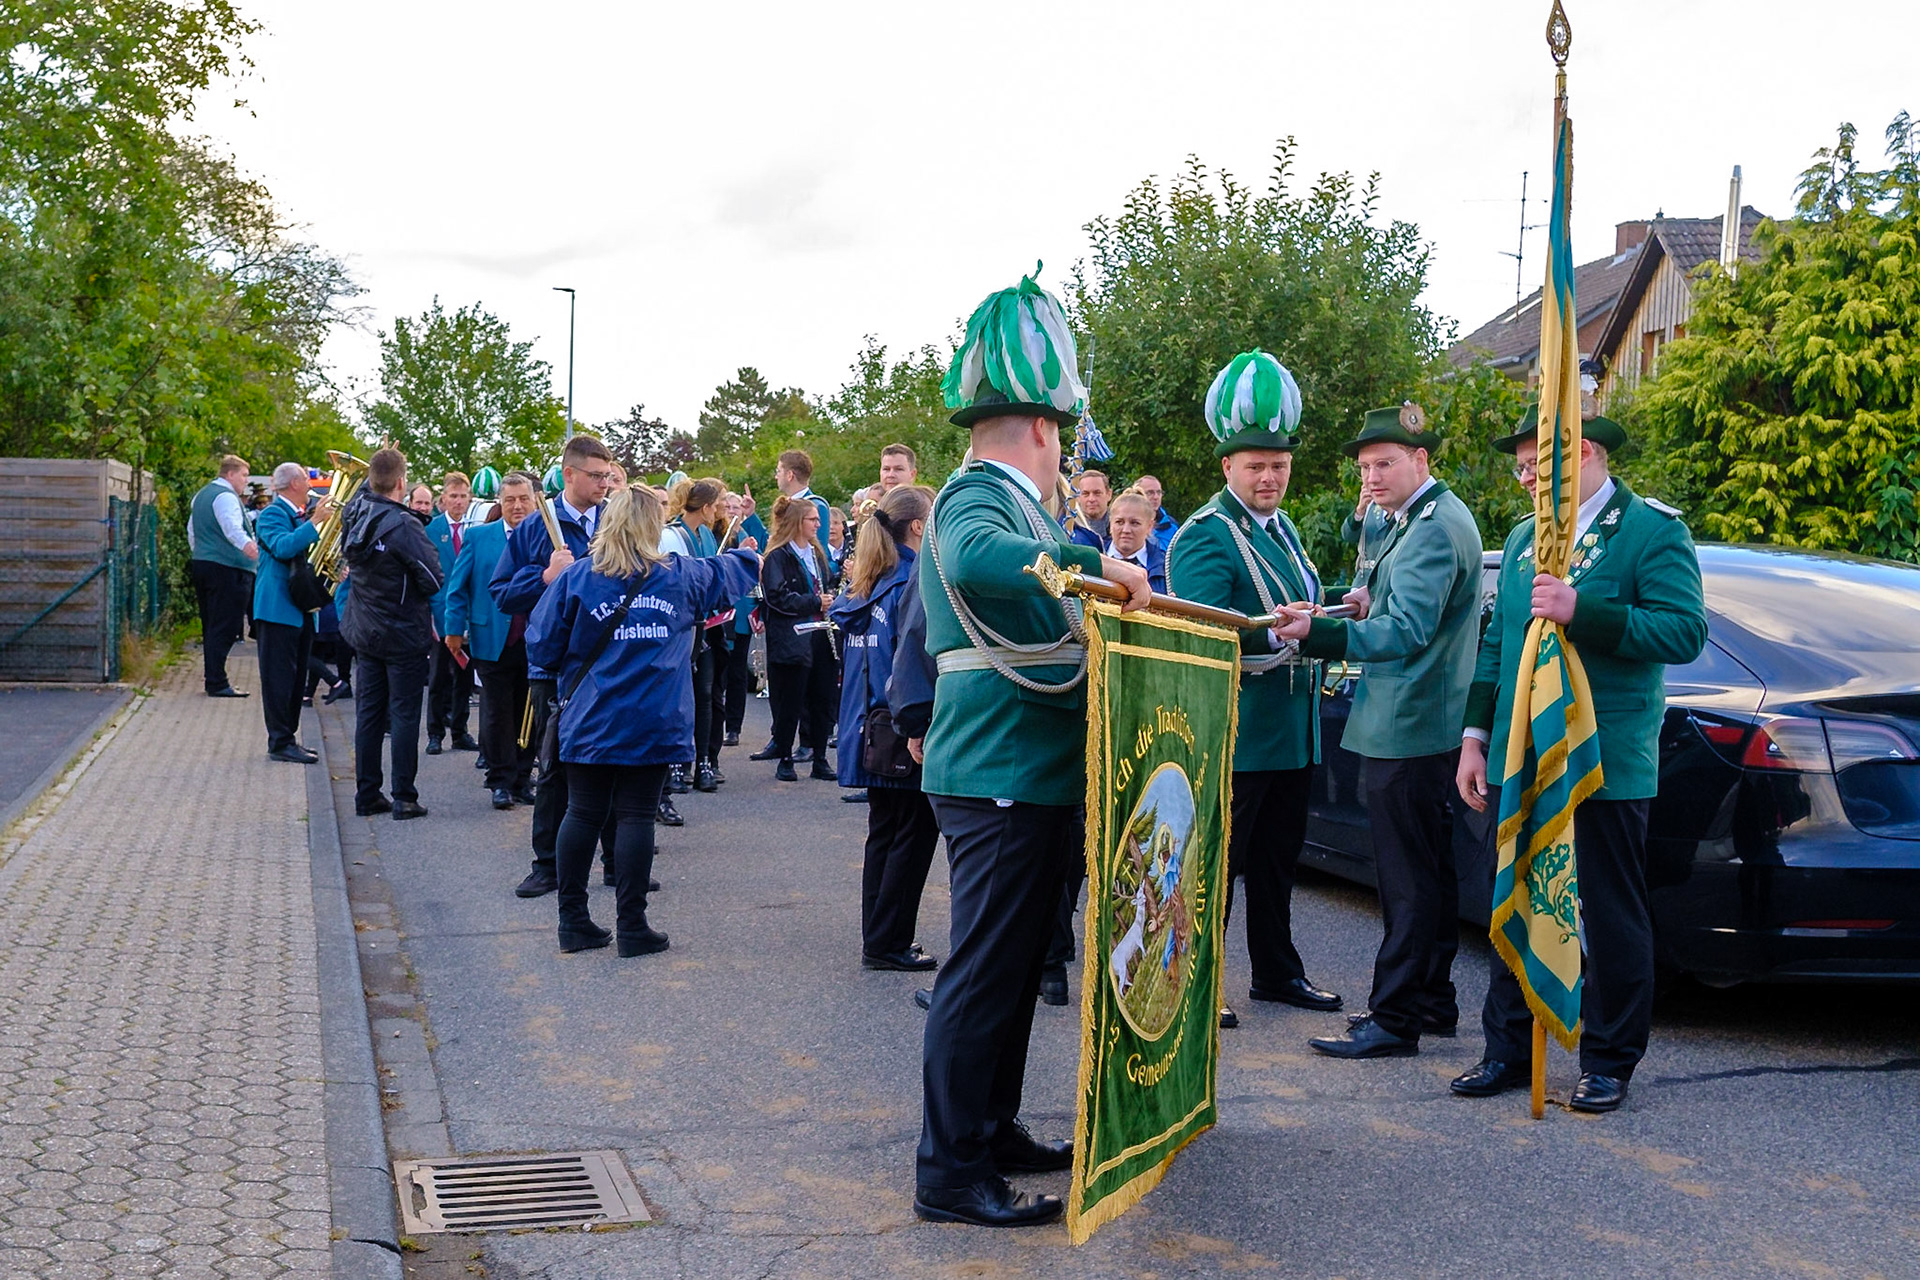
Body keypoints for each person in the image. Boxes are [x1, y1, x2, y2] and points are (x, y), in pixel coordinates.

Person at [912, 272, 1150, 1229]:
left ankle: (991, 1128)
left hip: (1032, 771)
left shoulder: (1023, 504)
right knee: (982, 972)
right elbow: (969, 561)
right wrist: (1096, 563)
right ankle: (949, 1168)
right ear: (1048, 429)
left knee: (1010, 972)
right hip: (1001, 769)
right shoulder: (981, 495)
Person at [1450, 408, 1707, 1114]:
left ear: (1584, 452)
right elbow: (1499, 644)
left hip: (1605, 757)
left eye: (1536, 465)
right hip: (1521, 750)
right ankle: (1505, 1048)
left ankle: (1609, 1060)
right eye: (1523, 468)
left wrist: (1580, 609)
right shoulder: (1526, 537)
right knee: (1516, 891)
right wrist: (1476, 737)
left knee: (1608, 909)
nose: (1526, 478)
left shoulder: (1653, 531)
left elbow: (1684, 632)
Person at [1274, 403, 1484, 1059]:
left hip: (1412, 722)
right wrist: (1358, 601)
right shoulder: (1419, 519)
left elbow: (1406, 633)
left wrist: (1322, 632)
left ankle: (1395, 1018)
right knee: (1429, 872)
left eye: (1385, 462)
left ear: (1421, 460)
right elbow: (1396, 608)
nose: (1372, 476)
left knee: (1406, 879)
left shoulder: (1429, 528)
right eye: (1365, 465)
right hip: (1418, 721)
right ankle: (1430, 1002)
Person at [1164, 349, 1342, 1029]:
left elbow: (1297, 599)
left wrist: (1331, 609)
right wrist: (1284, 635)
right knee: (1218, 867)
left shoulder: (1283, 530)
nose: (1270, 477)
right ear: (1227, 468)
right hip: (1238, 730)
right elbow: (1204, 629)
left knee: (1276, 864)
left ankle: (1277, 970)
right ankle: (1200, 980)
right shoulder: (1207, 537)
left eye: (1280, 466)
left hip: (1291, 728)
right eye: (1256, 466)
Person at [527, 486, 760, 956]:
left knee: (582, 812)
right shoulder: (678, 577)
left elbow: (542, 646)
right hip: (653, 718)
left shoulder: (578, 578)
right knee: (635, 816)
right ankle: (632, 927)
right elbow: (730, 572)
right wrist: (749, 553)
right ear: (653, 527)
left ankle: (573, 921)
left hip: (591, 717)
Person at [491, 434, 620, 895]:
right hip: (555, 665)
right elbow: (502, 592)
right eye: (596, 475)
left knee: (615, 761)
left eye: (608, 475)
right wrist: (545, 576)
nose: (604, 483)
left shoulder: (616, 519)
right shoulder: (535, 527)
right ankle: (548, 865)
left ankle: (616, 861)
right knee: (554, 767)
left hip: (611, 663)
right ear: (569, 475)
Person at [832, 485, 941, 971]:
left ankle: (878, 937)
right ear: (918, 526)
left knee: (884, 835)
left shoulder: (870, 582)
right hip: (900, 728)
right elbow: (913, 659)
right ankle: (889, 942)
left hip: (870, 727)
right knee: (911, 839)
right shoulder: (909, 580)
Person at [341, 448, 443, 820]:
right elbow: (433, 579)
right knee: (403, 715)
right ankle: (404, 796)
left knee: (368, 715)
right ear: (402, 483)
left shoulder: (352, 512)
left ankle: (366, 795)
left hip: (364, 628)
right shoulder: (403, 525)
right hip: (401, 633)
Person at [446, 471, 539, 809]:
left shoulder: (545, 537)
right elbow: (457, 588)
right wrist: (453, 630)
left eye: (523, 499)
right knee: (497, 712)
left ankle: (522, 777)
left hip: (534, 640)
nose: (517, 506)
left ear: (534, 501)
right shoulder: (479, 537)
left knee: (529, 711)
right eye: (510, 499)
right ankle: (499, 780)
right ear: (500, 502)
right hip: (491, 638)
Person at [754, 496, 839, 782]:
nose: (818, 524)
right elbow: (776, 597)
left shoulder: (816, 553)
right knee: (790, 700)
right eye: (812, 519)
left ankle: (820, 757)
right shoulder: (778, 555)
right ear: (796, 523)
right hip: (792, 638)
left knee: (821, 698)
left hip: (819, 635)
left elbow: (827, 584)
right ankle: (786, 757)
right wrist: (814, 602)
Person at [253, 462, 332, 762]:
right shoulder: (272, 513)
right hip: (277, 610)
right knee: (278, 680)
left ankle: (288, 738)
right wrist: (315, 523)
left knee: (296, 678)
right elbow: (282, 547)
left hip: (300, 609)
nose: (311, 483)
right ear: (294, 483)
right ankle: (280, 741)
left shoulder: (297, 514)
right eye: (306, 477)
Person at [662, 478, 729, 792]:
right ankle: (676, 764)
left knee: (704, 695)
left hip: (705, 624)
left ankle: (703, 761)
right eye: (716, 505)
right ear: (705, 507)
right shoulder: (671, 533)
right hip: (679, 626)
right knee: (678, 697)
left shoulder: (705, 534)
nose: (719, 511)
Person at [187, 454, 258, 697]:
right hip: (229, 569)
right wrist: (249, 547)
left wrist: (200, 553)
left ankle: (214, 677)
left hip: (203, 564)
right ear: (230, 474)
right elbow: (232, 527)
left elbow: (192, 530)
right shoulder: (226, 497)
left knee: (211, 624)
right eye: (244, 476)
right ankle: (217, 681)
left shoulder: (201, 495)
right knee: (226, 626)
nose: (245, 482)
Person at [425, 472, 479, 756]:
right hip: (441, 616)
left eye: (463, 497)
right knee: (438, 679)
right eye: (453, 496)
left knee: (464, 678)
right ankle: (435, 733)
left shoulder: (476, 530)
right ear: (443, 499)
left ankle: (460, 732)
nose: (458, 502)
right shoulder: (431, 530)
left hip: (469, 616)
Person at [1105, 490, 1166, 594]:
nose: (1126, 530)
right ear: (1110, 523)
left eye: (1135, 523)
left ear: (1149, 526)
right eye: (1119, 522)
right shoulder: (1092, 559)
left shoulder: (1165, 567)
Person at [775, 449, 833, 547]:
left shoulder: (817, 506)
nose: (776, 476)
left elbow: (819, 553)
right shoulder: (786, 505)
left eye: (778, 471)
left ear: (790, 475)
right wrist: (751, 514)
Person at [1066, 470, 1111, 549]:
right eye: (1085, 494)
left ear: (1109, 494)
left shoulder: (1122, 529)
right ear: (1078, 497)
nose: (1091, 499)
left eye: (1097, 493)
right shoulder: (1069, 531)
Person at [1133, 473, 1179, 550]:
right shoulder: (1125, 524)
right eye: (1150, 492)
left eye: (1159, 492)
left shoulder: (1171, 525)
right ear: (1138, 494)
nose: (1156, 497)